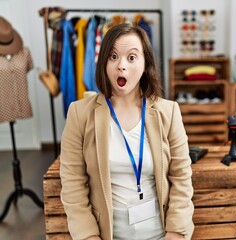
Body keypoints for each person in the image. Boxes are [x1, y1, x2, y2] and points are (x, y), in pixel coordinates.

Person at [60, 23, 194, 240]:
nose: (121, 65)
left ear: (145, 64)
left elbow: (181, 177)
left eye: (132, 57)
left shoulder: (168, 112)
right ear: (103, 61)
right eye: (113, 56)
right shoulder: (79, 114)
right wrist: (88, 236)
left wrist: (176, 232)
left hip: (163, 235)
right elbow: (72, 183)